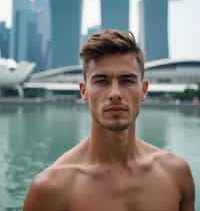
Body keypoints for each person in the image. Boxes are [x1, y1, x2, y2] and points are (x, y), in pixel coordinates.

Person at [23, 29, 195, 211]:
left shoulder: (176, 173)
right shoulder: (51, 189)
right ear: (84, 91)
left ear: (144, 90)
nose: (115, 94)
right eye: (102, 81)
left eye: (127, 81)